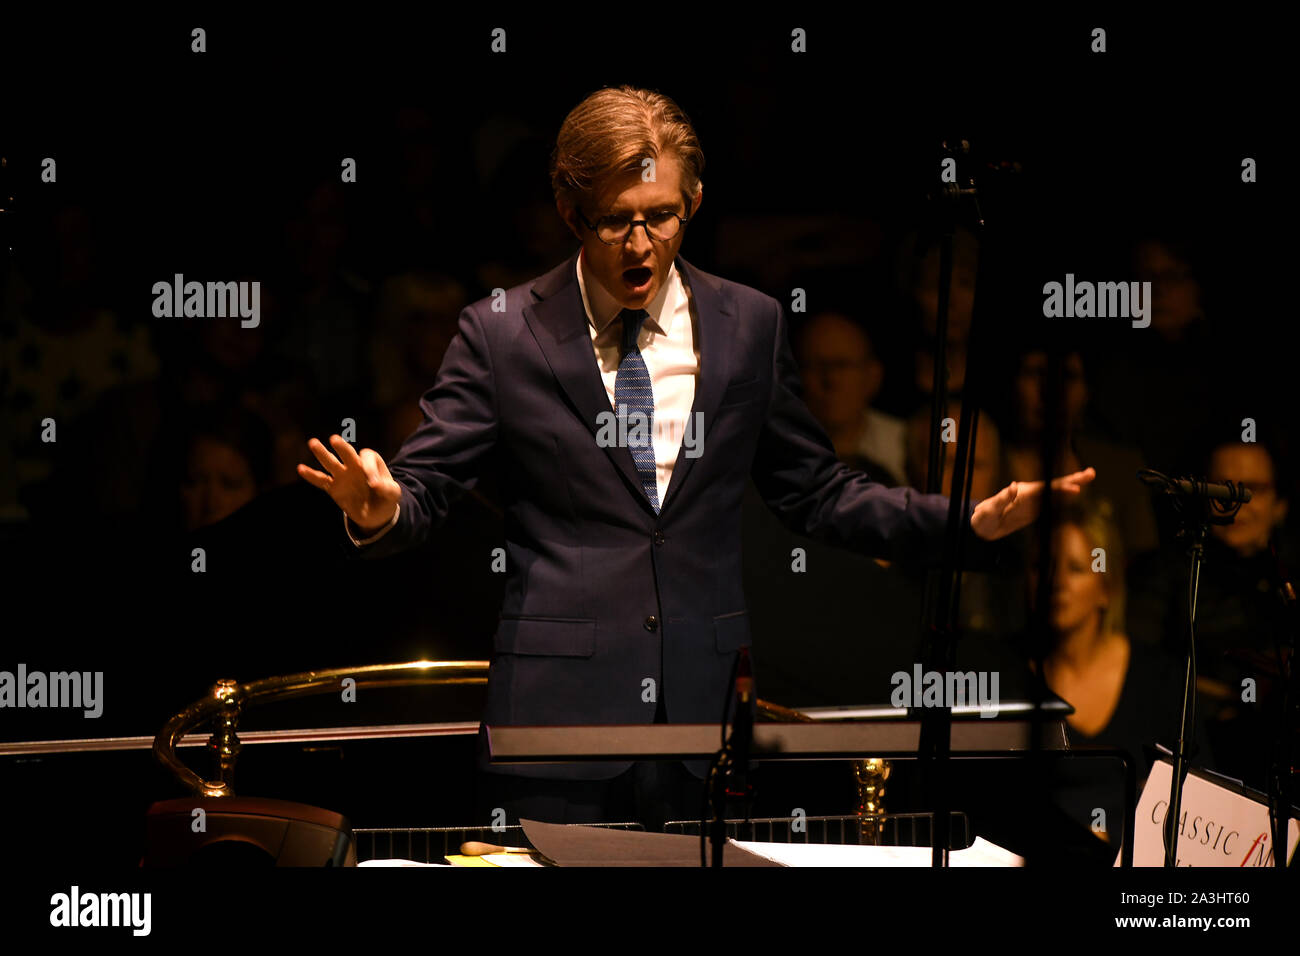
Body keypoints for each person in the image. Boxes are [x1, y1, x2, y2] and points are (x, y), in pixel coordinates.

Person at [295, 85, 1095, 831]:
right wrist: (383, 507)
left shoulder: (749, 325)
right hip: (554, 719)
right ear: (571, 213)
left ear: (696, 202)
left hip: (705, 719)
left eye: (663, 216)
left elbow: (816, 490)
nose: (641, 245)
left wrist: (969, 521)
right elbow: (427, 486)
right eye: (616, 221)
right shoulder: (504, 332)